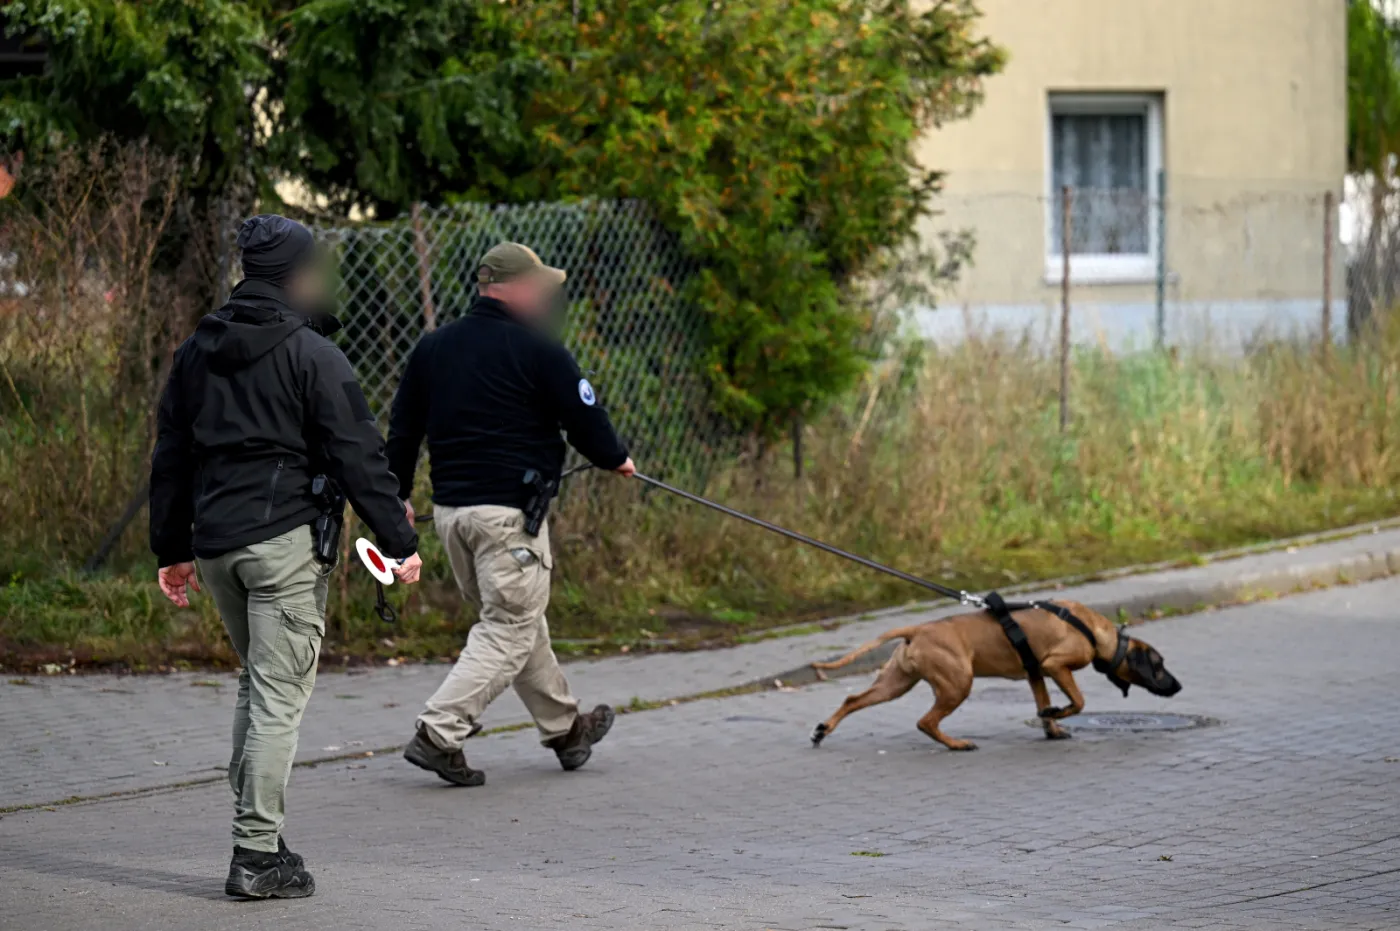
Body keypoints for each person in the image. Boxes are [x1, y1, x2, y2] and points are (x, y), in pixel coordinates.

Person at [149, 214, 422, 900]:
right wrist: (400, 541)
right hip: (282, 545)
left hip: (216, 546)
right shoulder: (313, 355)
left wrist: (171, 548)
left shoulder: (196, 350)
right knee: (277, 695)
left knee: (258, 684)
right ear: (296, 275)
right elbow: (359, 455)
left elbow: (172, 453)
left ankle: (263, 836)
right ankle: (255, 852)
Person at [387, 242, 634, 787]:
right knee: (509, 626)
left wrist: (397, 494)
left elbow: (404, 428)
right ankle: (438, 731)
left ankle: (568, 730)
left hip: (453, 517)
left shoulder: (434, 349)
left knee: (519, 623)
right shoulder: (539, 349)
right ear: (517, 288)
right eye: (541, 286)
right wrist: (616, 459)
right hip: (509, 520)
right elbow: (585, 418)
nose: (546, 296)